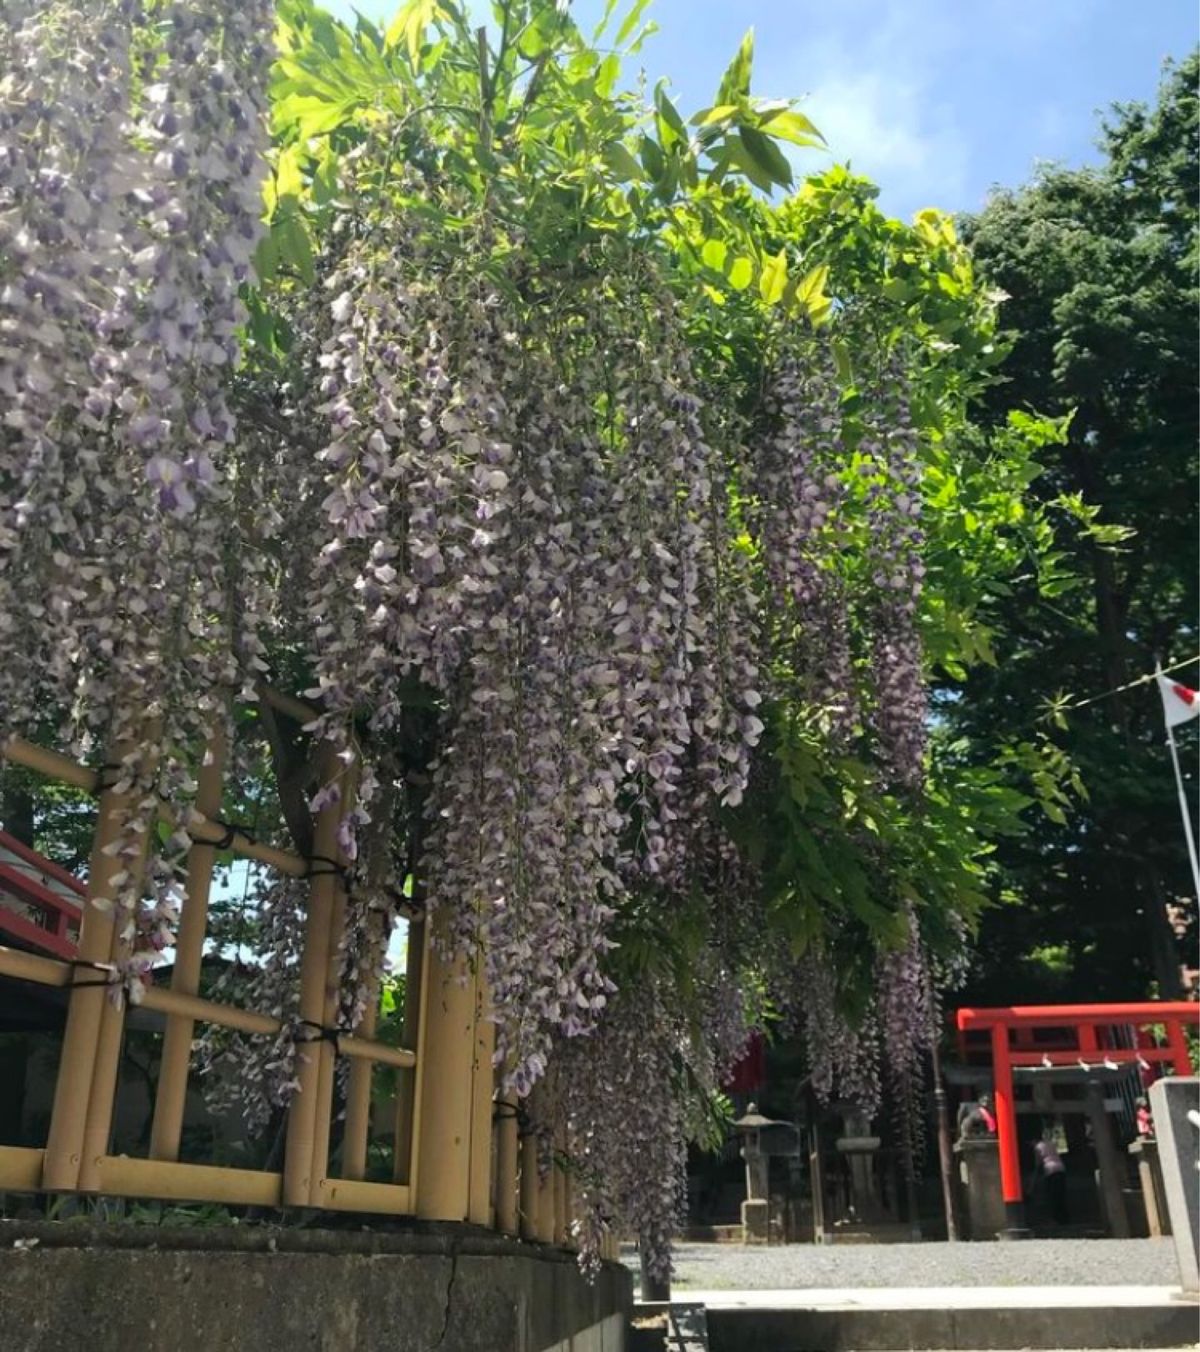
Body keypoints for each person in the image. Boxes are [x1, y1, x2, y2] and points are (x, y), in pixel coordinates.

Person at [1033, 1124, 1068, 1225]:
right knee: (1061, 1195)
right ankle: (1065, 1218)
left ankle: (1056, 1219)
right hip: (1060, 1168)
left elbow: (1038, 1163)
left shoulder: (1037, 1147)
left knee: (1053, 1196)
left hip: (1050, 1170)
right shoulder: (1050, 1143)